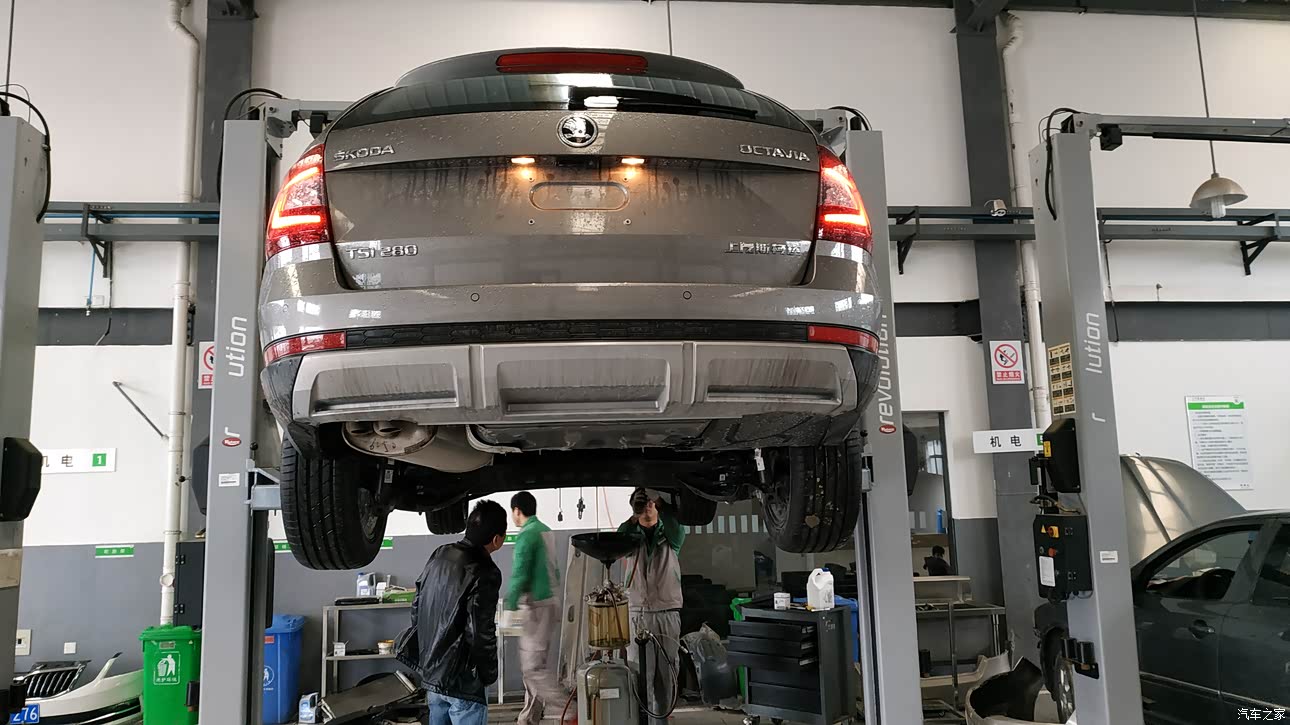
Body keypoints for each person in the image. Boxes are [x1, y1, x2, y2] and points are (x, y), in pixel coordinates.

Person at [412, 500, 508, 725]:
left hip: (433, 674)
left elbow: (417, 605)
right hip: (463, 682)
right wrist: (488, 674)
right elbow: (479, 629)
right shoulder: (486, 571)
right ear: (497, 539)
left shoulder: (440, 554)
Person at [618, 488, 686, 725]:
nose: (647, 505)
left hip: (667, 612)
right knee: (639, 675)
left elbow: (677, 529)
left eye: (650, 502)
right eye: (642, 502)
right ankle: (641, 721)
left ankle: (662, 721)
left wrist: (660, 502)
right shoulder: (630, 538)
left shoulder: (670, 537)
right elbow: (618, 540)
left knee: (667, 676)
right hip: (638, 614)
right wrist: (634, 516)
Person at [504, 491, 567, 725]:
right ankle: (530, 717)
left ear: (517, 511)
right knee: (536, 666)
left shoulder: (527, 534)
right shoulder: (546, 531)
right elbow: (555, 570)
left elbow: (520, 573)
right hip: (550, 603)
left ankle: (567, 708)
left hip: (536, 607)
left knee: (532, 669)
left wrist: (510, 607)